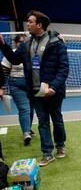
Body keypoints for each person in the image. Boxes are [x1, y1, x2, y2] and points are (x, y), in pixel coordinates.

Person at [0, 10, 69, 166]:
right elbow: (14, 59)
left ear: (39, 24)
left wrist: (54, 87)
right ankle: (46, 153)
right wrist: (2, 44)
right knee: (43, 122)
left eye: (30, 21)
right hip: (35, 91)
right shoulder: (26, 44)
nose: (28, 24)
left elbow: (63, 68)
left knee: (57, 120)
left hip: (53, 91)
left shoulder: (57, 42)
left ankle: (60, 146)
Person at [1, 34, 35, 146]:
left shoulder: (32, 52)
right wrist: (2, 87)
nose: (22, 43)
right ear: (16, 43)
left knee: (31, 108)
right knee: (24, 108)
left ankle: (28, 128)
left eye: (24, 41)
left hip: (30, 84)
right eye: (20, 41)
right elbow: (4, 72)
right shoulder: (11, 54)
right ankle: (26, 133)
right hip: (16, 84)